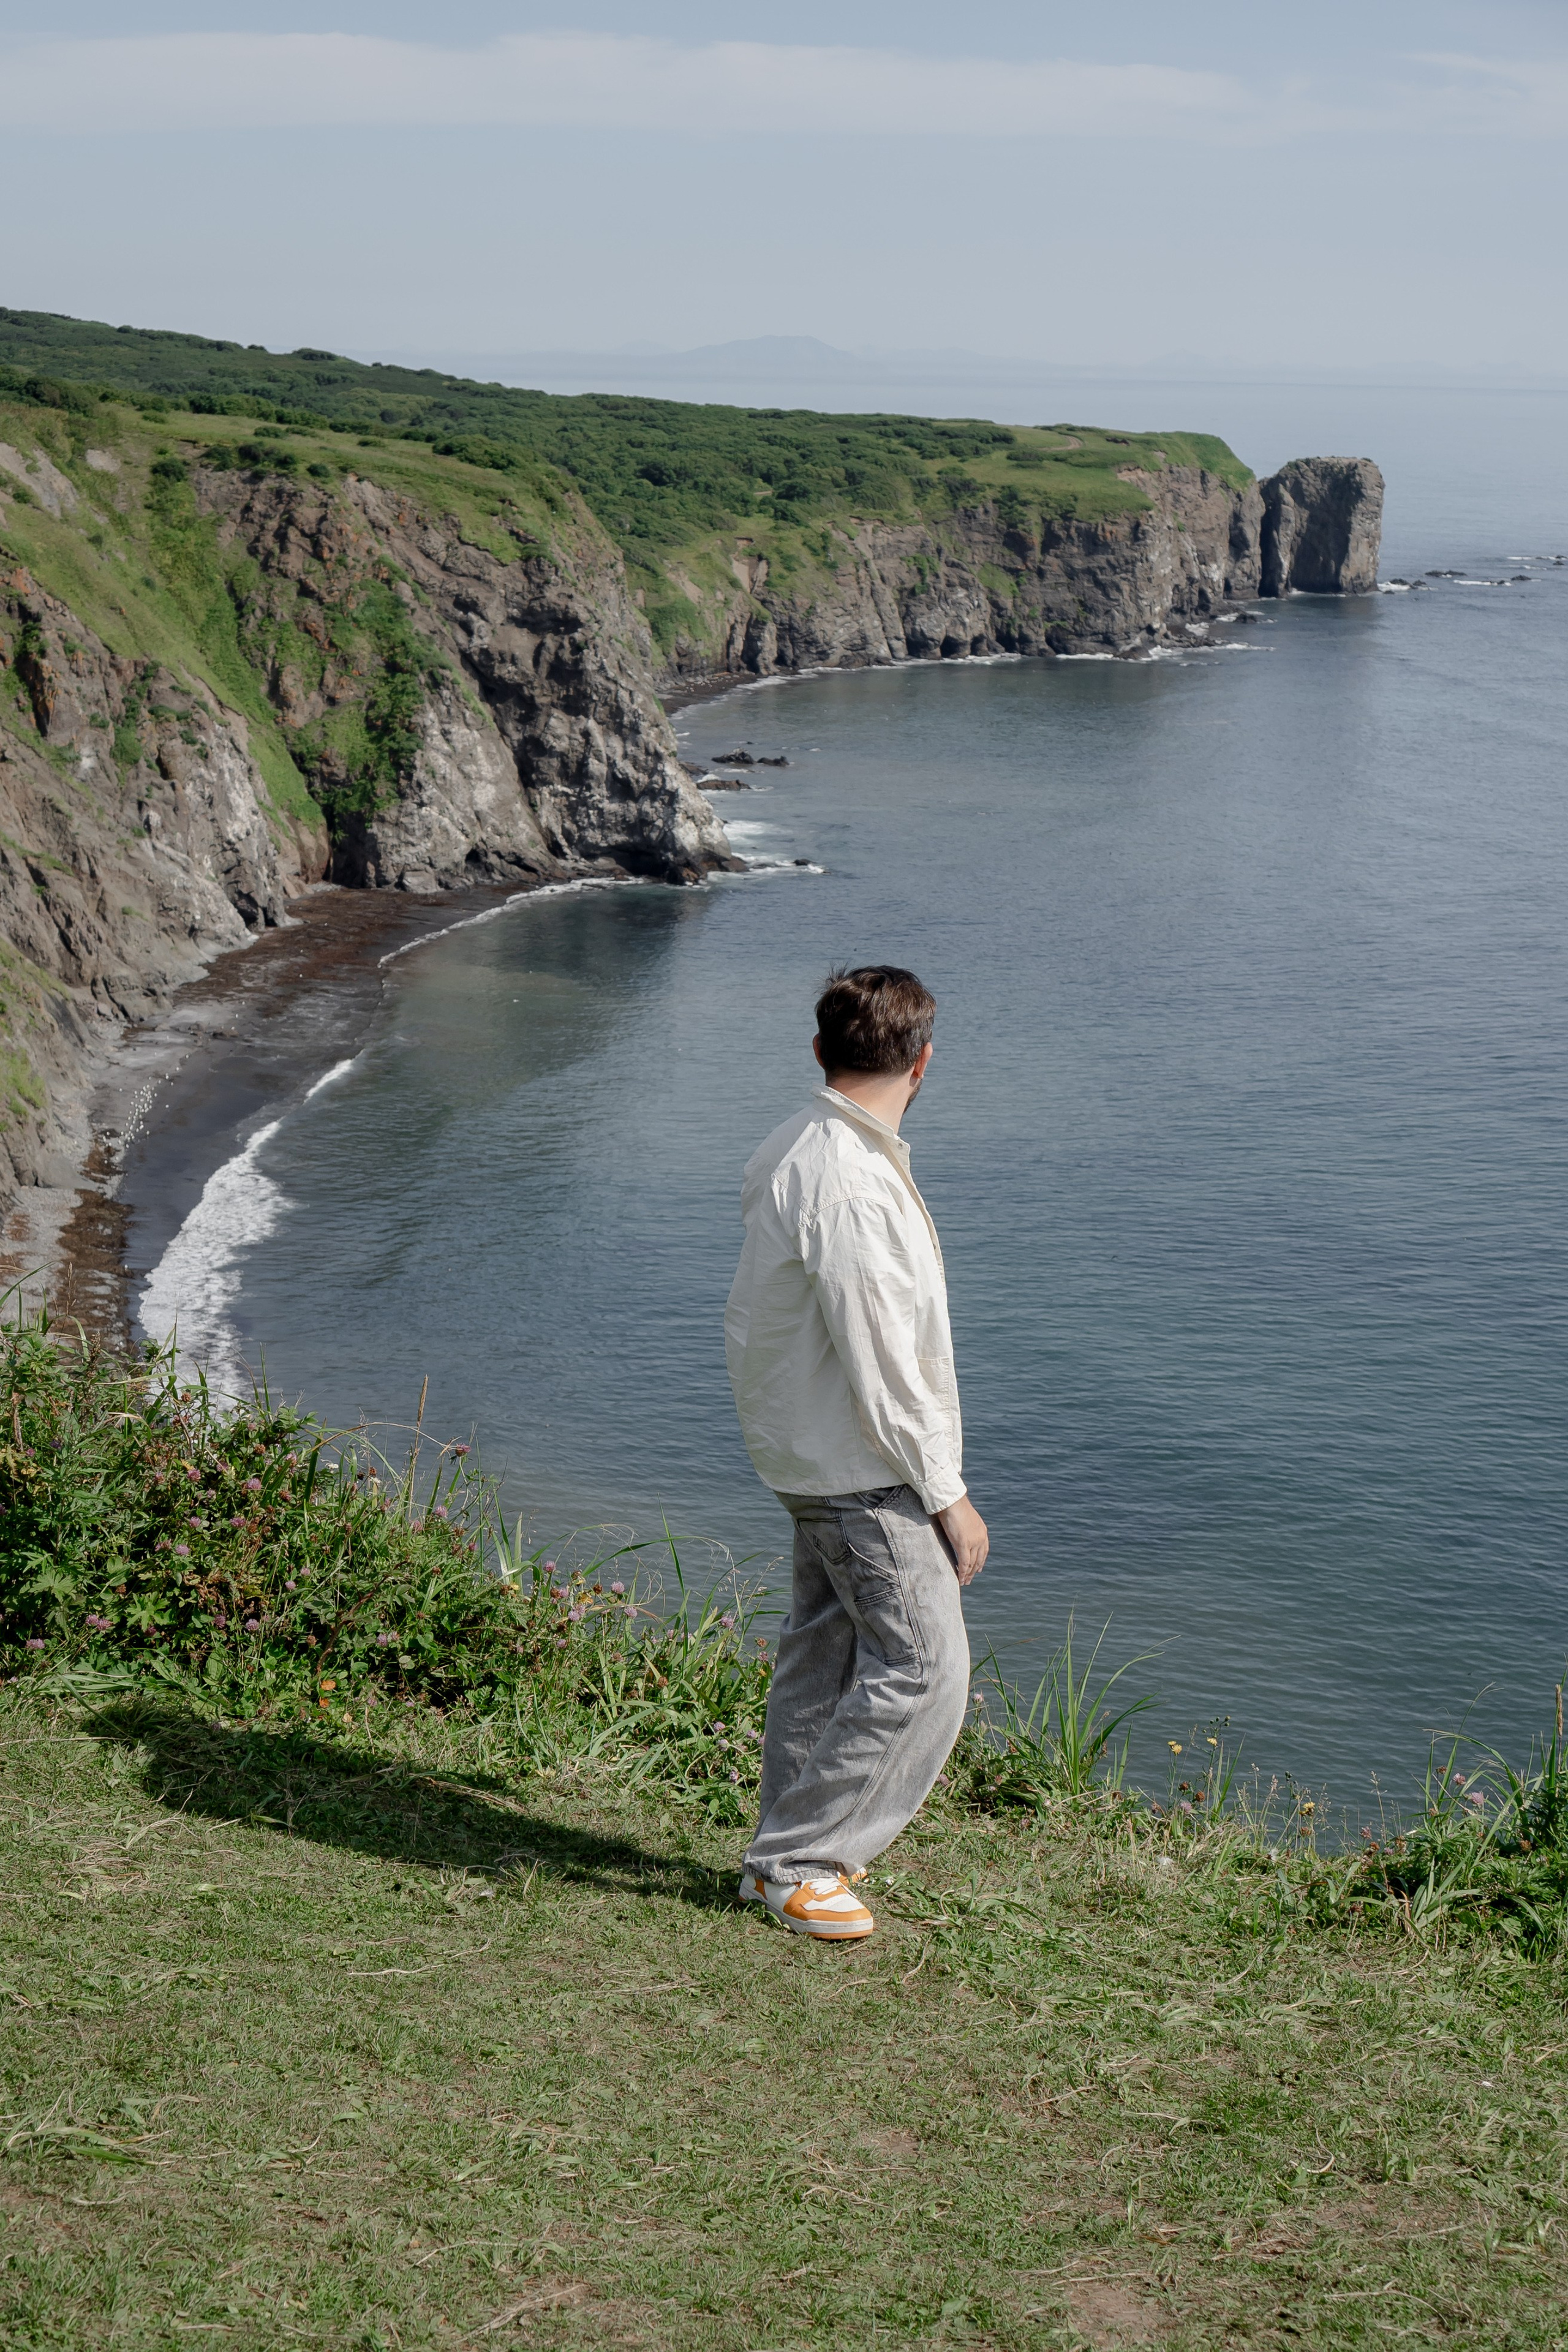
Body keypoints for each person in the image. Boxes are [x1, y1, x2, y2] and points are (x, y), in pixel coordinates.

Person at [724, 965, 988, 1941]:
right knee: (927, 1665)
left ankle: (778, 1857)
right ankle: (799, 1862)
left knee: (825, 1652)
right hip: (859, 1463)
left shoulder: (797, 1144)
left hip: (808, 1446)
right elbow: (882, 1354)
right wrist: (947, 1492)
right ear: (923, 1063)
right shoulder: (850, 1179)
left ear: (821, 1050)